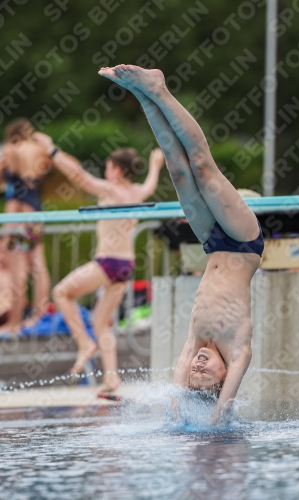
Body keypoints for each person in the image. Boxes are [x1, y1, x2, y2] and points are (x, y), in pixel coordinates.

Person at [98, 64, 264, 422]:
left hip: (211, 242)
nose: (199, 367)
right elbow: (226, 404)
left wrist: (177, 412)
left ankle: (142, 94)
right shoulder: (238, 351)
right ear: (224, 377)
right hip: (243, 242)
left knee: (177, 169)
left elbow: (178, 383)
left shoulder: (195, 343)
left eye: (195, 374)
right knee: (203, 168)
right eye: (206, 374)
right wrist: (219, 417)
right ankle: (159, 88)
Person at [33, 132, 164, 392]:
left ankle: (84, 344)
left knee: (61, 292)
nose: (105, 173)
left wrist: (52, 150)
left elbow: (79, 175)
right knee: (100, 322)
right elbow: (149, 185)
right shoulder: (137, 192)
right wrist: (156, 164)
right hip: (125, 266)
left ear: (116, 171)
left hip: (108, 263)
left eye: (107, 168)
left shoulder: (111, 189)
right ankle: (111, 378)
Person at [0, 118, 52, 334]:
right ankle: (39, 316)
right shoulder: (39, 149)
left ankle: (14, 322)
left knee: (18, 269)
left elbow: (10, 189)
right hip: (35, 211)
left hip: (20, 214)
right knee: (39, 267)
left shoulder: (10, 150)